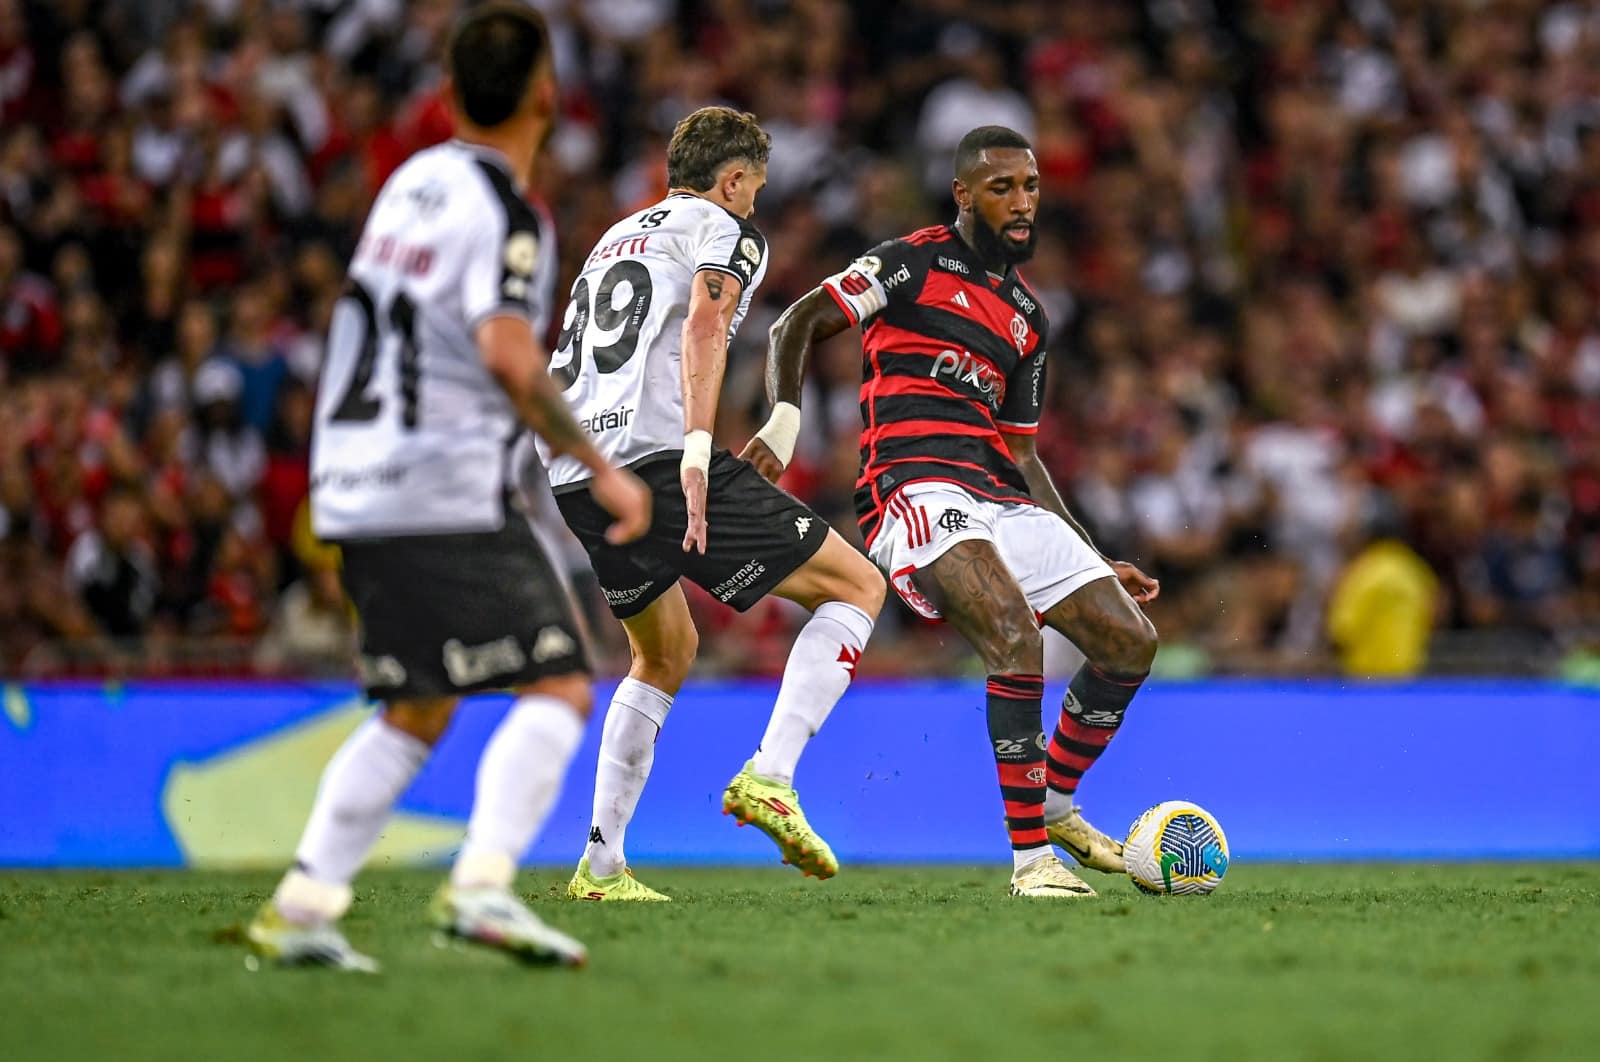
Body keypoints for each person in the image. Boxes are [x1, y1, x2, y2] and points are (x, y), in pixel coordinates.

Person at [245, 3, 651, 971]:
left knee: (416, 707)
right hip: (438, 485)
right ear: (548, 93)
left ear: (448, 93)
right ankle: (481, 890)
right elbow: (507, 352)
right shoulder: (509, 212)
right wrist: (601, 470)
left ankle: (300, 909)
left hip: (350, 483)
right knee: (556, 683)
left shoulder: (409, 185)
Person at [754, 126, 1160, 898]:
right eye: (1002, 187)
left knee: (1129, 641)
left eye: (1032, 187)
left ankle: (1058, 801)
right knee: (1013, 635)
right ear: (964, 194)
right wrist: (784, 419)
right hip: (913, 490)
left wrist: (1091, 554)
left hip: (998, 494)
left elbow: (1025, 454)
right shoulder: (909, 263)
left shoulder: (1027, 320)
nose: (1022, 202)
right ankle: (1031, 861)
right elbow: (795, 321)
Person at [542, 106, 885, 901]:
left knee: (663, 653)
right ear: (732, 181)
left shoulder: (616, 236)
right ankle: (772, 775)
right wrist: (698, 449)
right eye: (754, 190)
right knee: (856, 585)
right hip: (658, 460)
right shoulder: (725, 230)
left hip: (576, 469)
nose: (755, 206)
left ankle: (600, 867)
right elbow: (706, 323)